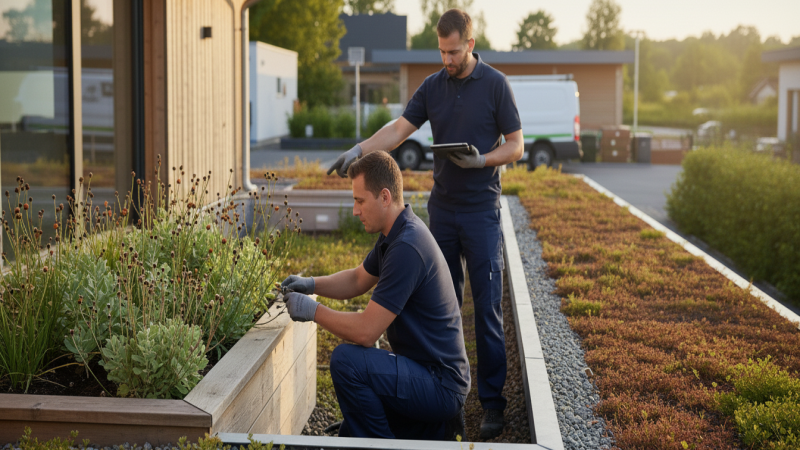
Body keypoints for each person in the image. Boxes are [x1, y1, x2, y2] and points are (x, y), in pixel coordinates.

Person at [326, 9, 523, 439]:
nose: (447, 59)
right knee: (442, 305)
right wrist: (358, 150)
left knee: (486, 309)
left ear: (470, 44)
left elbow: (516, 146)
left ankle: (491, 405)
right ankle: (441, 409)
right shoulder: (433, 86)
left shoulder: (495, 85)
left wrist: (482, 159)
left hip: (482, 211)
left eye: (453, 51)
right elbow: (398, 129)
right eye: (441, 51)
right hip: (444, 211)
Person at [281, 151, 471, 440]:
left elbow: (367, 333)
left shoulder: (408, 246)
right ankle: (429, 431)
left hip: (440, 385)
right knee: (351, 431)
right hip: (425, 373)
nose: (355, 210)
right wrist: (310, 284)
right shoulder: (395, 235)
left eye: (360, 201)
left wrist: (313, 311)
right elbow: (358, 278)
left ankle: (383, 447)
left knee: (346, 361)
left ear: (384, 197)